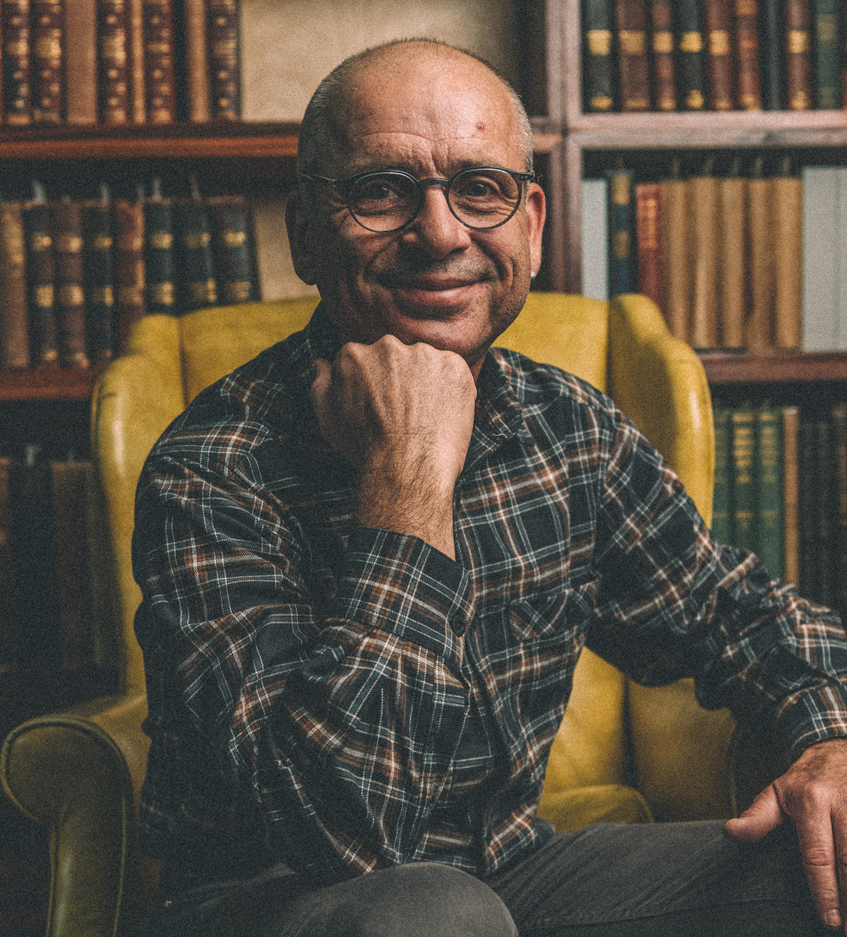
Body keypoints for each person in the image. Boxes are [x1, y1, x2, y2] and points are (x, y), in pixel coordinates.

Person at [132, 39, 847, 937]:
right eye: (382, 191)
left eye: (479, 189)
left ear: (531, 224)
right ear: (306, 232)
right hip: (265, 898)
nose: (439, 233)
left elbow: (739, 615)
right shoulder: (210, 465)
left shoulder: (566, 426)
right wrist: (408, 482)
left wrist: (825, 735)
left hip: (515, 877)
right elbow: (337, 828)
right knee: (431, 910)